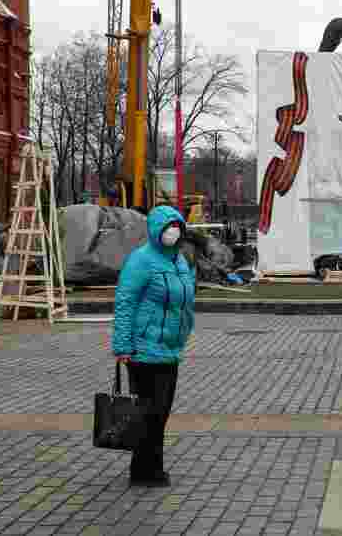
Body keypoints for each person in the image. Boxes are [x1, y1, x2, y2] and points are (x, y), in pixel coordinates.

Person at [112, 205, 196, 487]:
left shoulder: (179, 261)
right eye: (168, 226)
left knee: (160, 413)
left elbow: (184, 299)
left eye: (177, 226)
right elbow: (125, 302)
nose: (173, 231)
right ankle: (144, 471)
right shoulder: (141, 260)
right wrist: (122, 345)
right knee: (149, 412)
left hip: (169, 348)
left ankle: (151, 467)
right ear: (155, 230)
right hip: (144, 350)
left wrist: (185, 330)